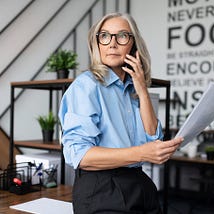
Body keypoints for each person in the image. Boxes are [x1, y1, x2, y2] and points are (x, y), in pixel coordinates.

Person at [59, 12, 183, 214]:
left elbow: (154, 137)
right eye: (105, 36)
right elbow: (79, 155)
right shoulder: (86, 86)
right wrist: (143, 153)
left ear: (133, 45)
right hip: (102, 188)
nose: (112, 43)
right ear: (97, 43)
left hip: (139, 182)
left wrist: (142, 90)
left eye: (122, 36)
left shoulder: (133, 89)